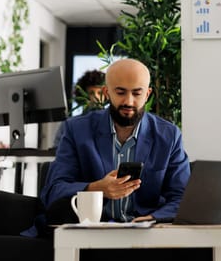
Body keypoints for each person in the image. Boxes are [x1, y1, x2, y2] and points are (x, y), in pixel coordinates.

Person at [41, 58, 190, 223]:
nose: (128, 101)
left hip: (145, 235)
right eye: (120, 92)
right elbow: (53, 191)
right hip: (91, 232)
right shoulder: (77, 131)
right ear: (107, 93)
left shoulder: (169, 136)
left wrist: (152, 218)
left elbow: (182, 196)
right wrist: (96, 188)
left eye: (137, 93)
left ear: (147, 94)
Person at [52, 69, 106, 148]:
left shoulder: (114, 125)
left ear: (107, 95)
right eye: (91, 93)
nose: (96, 97)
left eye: (100, 93)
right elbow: (56, 151)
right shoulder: (69, 125)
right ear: (83, 95)